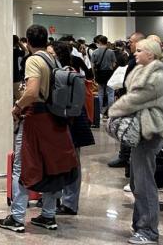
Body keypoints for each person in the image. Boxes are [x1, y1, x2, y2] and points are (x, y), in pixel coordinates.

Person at [0, 24, 78, 234]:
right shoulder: (53, 59)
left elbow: (32, 92)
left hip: (36, 118)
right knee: (52, 165)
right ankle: (48, 215)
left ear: (28, 40)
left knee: (22, 166)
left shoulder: (34, 60)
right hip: (54, 118)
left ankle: (16, 217)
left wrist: (17, 106)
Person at [106, 37, 163, 245]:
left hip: (148, 134)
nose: (135, 52)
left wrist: (114, 110)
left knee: (144, 184)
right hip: (141, 133)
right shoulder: (147, 73)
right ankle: (141, 226)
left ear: (150, 54)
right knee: (137, 182)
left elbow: (134, 100)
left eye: (140, 50)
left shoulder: (156, 77)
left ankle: (149, 231)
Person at [52, 41, 94, 216]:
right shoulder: (63, 71)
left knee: (72, 163)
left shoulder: (67, 73)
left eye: (52, 53)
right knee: (64, 162)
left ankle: (69, 203)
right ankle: (60, 198)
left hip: (71, 122)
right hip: (68, 121)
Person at [108, 32, 145, 169]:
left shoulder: (142, 61)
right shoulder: (133, 58)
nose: (129, 44)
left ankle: (126, 159)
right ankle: (124, 157)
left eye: (132, 42)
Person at [90, 35, 116, 117]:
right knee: (111, 93)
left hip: (99, 74)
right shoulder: (111, 52)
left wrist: (94, 75)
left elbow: (93, 66)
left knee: (100, 93)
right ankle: (110, 112)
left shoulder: (95, 52)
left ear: (99, 42)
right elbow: (114, 63)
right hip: (109, 73)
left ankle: (99, 113)